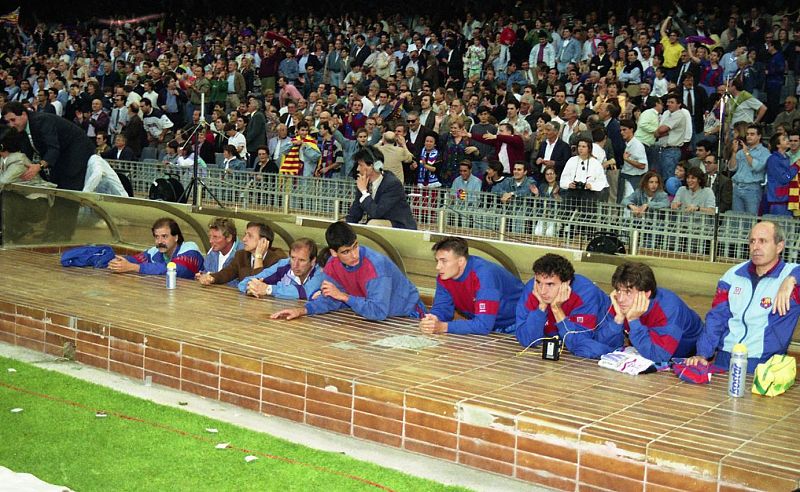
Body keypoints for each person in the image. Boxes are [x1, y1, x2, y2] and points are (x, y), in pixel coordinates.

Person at [688, 221, 800, 373]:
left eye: (763, 241)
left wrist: (792, 279)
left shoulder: (791, 278)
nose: (756, 247)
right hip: (724, 360)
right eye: (752, 241)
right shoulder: (732, 275)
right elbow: (716, 318)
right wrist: (702, 353)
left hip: (764, 366)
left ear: (779, 246)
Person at [270, 222, 424, 321]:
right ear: (334, 253)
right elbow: (330, 299)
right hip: (384, 321)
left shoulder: (376, 266)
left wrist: (344, 296)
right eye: (346, 252)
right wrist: (302, 310)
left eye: (355, 246)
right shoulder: (332, 266)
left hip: (410, 315)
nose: (354, 255)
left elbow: (378, 311)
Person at [2, 101, 94, 241]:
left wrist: (39, 165)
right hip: (60, 155)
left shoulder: (42, 121)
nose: (11, 124)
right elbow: (27, 153)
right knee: (56, 188)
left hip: (76, 151)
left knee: (68, 190)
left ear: (24, 114)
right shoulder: (22, 129)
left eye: (13, 120)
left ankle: (63, 233)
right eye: (8, 122)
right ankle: (52, 230)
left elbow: (53, 147)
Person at [596, 262, 704, 363]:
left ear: (646, 294)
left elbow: (659, 356)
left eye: (628, 292)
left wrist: (633, 321)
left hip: (687, 353)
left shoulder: (668, 307)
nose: (620, 298)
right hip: (649, 348)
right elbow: (600, 344)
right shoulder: (618, 302)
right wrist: (618, 320)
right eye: (618, 290)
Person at [514, 253, 614, 358]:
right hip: (563, 343)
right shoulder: (533, 289)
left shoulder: (586, 293)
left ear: (566, 283)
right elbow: (527, 340)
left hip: (601, 342)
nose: (542, 291)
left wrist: (556, 309)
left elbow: (581, 344)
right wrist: (541, 307)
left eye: (550, 284)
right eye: (539, 282)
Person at [420, 236, 523, 335]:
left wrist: (444, 327)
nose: (438, 267)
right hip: (492, 327)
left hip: (517, 325)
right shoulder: (445, 277)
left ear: (461, 261)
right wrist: (433, 319)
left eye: (444, 261)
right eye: (437, 261)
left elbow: (483, 325)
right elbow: (442, 308)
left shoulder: (484, 275)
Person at [345, 146, 417, 229]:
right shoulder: (364, 183)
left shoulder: (392, 184)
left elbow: (376, 213)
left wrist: (364, 192)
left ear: (372, 166)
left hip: (399, 226)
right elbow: (355, 213)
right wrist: (346, 227)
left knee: (373, 224)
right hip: (378, 223)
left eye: (360, 165)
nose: (357, 169)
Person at [197, 222, 286, 287]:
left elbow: (257, 285)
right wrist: (211, 278)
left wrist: (258, 257)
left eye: (250, 236)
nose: (244, 239)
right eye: (245, 235)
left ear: (263, 241)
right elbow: (227, 273)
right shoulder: (241, 255)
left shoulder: (277, 260)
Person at [107, 217, 203, 278]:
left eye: (164, 236)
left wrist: (134, 267)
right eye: (157, 237)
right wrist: (118, 262)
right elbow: (136, 259)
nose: (160, 241)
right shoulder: (154, 251)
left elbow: (176, 269)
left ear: (176, 237)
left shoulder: (190, 248)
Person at [239, 238, 324, 300]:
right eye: (293, 258)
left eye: (302, 260)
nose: (295, 264)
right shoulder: (284, 264)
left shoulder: (320, 272)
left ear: (313, 261)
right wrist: (251, 288)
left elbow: (306, 291)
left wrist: (269, 289)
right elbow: (246, 282)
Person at [729, 124, 769, 215]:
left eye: (752, 134)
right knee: (736, 219)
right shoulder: (741, 151)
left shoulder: (764, 152)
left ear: (759, 136)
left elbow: (757, 167)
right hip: (737, 187)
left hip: (752, 189)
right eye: (747, 134)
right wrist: (734, 153)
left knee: (751, 219)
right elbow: (732, 168)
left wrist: (747, 153)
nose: (749, 136)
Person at [765, 133, 799, 216]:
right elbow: (784, 178)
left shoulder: (787, 158)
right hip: (777, 202)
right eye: (784, 139)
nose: (788, 141)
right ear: (778, 145)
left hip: (787, 200)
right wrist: (796, 166)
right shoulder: (773, 159)